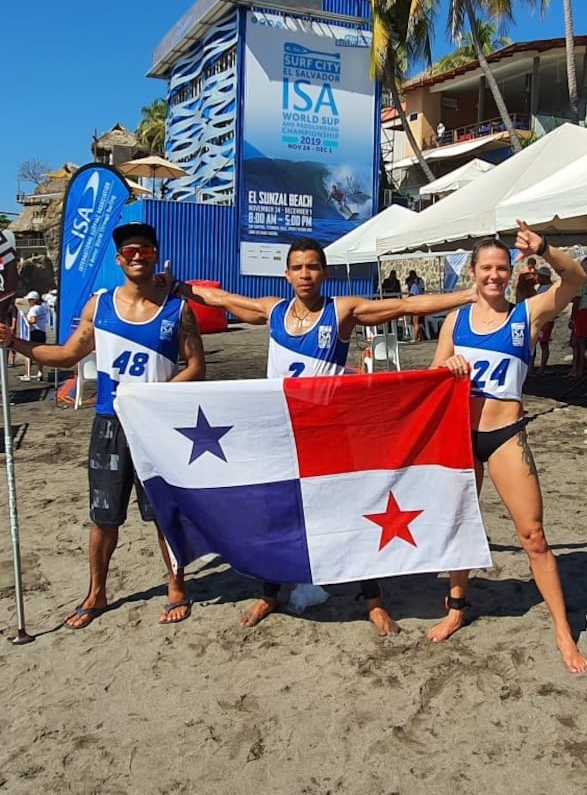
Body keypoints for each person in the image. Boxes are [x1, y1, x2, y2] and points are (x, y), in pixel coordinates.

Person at [177, 238, 477, 636]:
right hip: (281, 434)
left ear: (324, 272)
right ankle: (271, 592)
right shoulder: (273, 310)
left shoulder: (342, 311)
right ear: (287, 274)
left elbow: (406, 306)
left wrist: (469, 294)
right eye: (298, 267)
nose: (305, 274)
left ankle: (372, 599)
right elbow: (221, 298)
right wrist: (177, 288)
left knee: (356, 510)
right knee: (277, 514)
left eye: (313, 267)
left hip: (332, 434)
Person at [0, 223, 206, 629]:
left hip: (157, 428)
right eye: (129, 251)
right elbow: (67, 354)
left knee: (163, 514)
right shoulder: (99, 305)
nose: (137, 256)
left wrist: (153, 398)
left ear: (155, 255)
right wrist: (14, 343)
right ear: (118, 259)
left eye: (144, 249)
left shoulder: (178, 308)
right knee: (103, 517)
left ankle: (176, 586)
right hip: (110, 426)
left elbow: (196, 366)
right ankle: (97, 592)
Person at [428, 221, 587, 674]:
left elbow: (576, 281)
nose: (494, 275)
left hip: (505, 437)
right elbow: (433, 377)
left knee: (533, 535)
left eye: (501, 268)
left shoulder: (527, 314)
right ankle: (456, 606)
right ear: (474, 273)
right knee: (461, 526)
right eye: (486, 268)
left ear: (510, 270)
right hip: (461, 437)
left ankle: (562, 630)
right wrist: (450, 366)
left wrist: (545, 249)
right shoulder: (456, 321)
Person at [19, 291, 49, 380]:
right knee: (40, 354)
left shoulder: (34, 309)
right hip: (42, 332)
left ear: (33, 300)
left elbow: (33, 320)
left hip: (34, 332)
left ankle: (27, 373)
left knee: (28, 353)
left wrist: (25, 321)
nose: (28, 302)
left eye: (29, 300)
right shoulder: (42, 308)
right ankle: (40, 372)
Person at [532, 267, 555, 374]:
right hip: (539, 319)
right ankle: (532, 367)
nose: (537, 278)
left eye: (539, 275)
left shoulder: (549, 289)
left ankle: (542, 369)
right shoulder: (542, 288)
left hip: (546, 320)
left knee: (543, 344)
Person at [406, 271, 426, 342]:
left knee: (415, 322)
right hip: (420, 304)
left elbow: (412, 295)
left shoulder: (414, 286)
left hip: (416, 305)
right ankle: (420, 337)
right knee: (418, 323)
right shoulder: (419, 286)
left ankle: (415, 338)